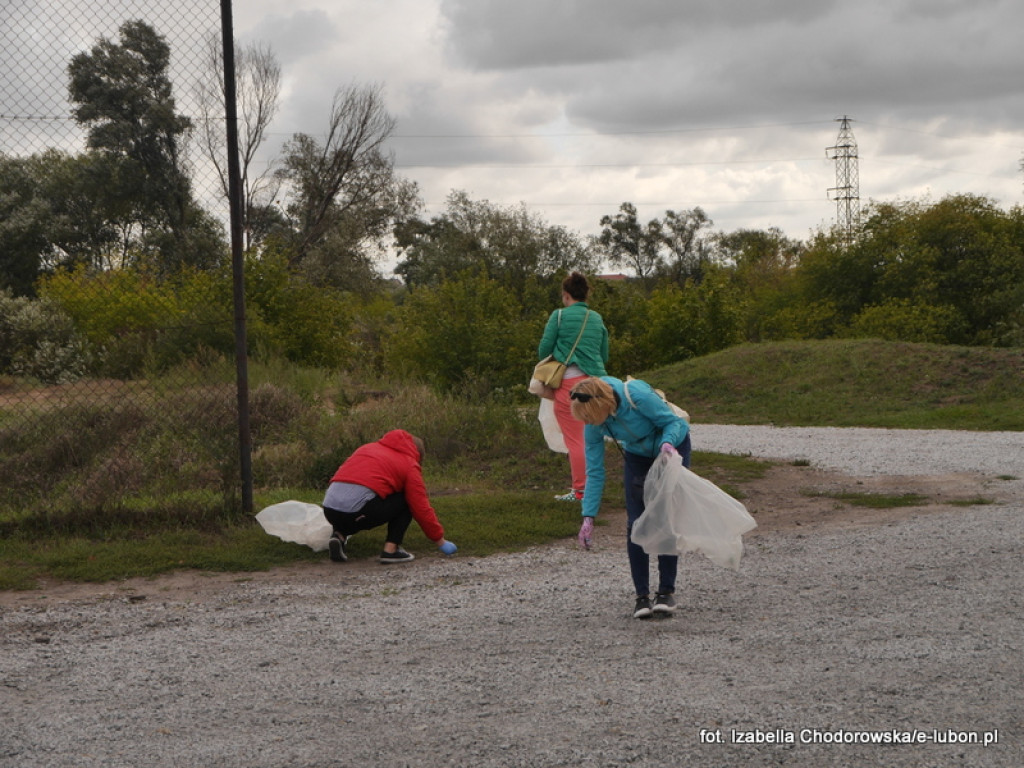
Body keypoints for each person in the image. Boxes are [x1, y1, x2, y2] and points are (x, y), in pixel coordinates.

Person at [569, 376, 691, 619]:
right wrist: (588, 515)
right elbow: (594, 470)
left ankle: (666, 591)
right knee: (636, 522)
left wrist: (667, 444)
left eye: (591, 418)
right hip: (636, 457)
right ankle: (641, 597)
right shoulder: (593, 421)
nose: (590, 424)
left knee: (664, 517)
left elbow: (675, 424)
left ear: (603, 404)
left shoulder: (636, 395)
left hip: (670, 448)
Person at [321, 429, 457, 564]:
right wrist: (440, 541)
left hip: (329, 509)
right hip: (356, 512)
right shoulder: (409, 463)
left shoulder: (367, 448)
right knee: (407, 500)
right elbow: (420, 507)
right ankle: (391, 550)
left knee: (350, 501)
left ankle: (338, 537)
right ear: (417, 454)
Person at [535, 272, 609, 502]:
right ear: (586, 295)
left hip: (569, 384)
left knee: (575, 440)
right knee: (593, 438)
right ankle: (593, 488)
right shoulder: (596, 318)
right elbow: (603, 353)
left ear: (566, 296)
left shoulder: (559, 316)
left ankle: (581, 491)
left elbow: (543, 350)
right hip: (596, 384)